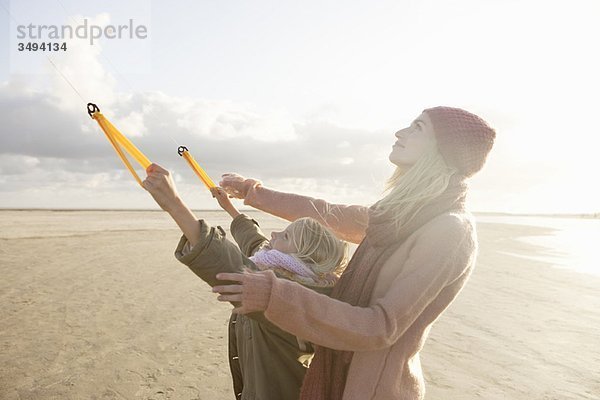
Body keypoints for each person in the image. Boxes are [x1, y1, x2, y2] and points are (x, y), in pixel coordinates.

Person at [212, 106, 496, 400]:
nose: (400, 133)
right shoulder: (398, 215)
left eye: (418, 128)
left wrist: (274, 295)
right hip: (336, 375)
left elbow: (380, 326)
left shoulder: (449, 230)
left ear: (444, 150)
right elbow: (329, 214)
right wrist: (252, 192)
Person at [142, 167, 349, 400]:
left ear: (303, 257)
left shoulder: (289, 298)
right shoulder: (283, 269)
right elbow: (255, 242)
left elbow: (226, 263)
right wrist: (229, 208)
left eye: (286, 236)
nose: (274, 234)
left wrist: (173, 203)